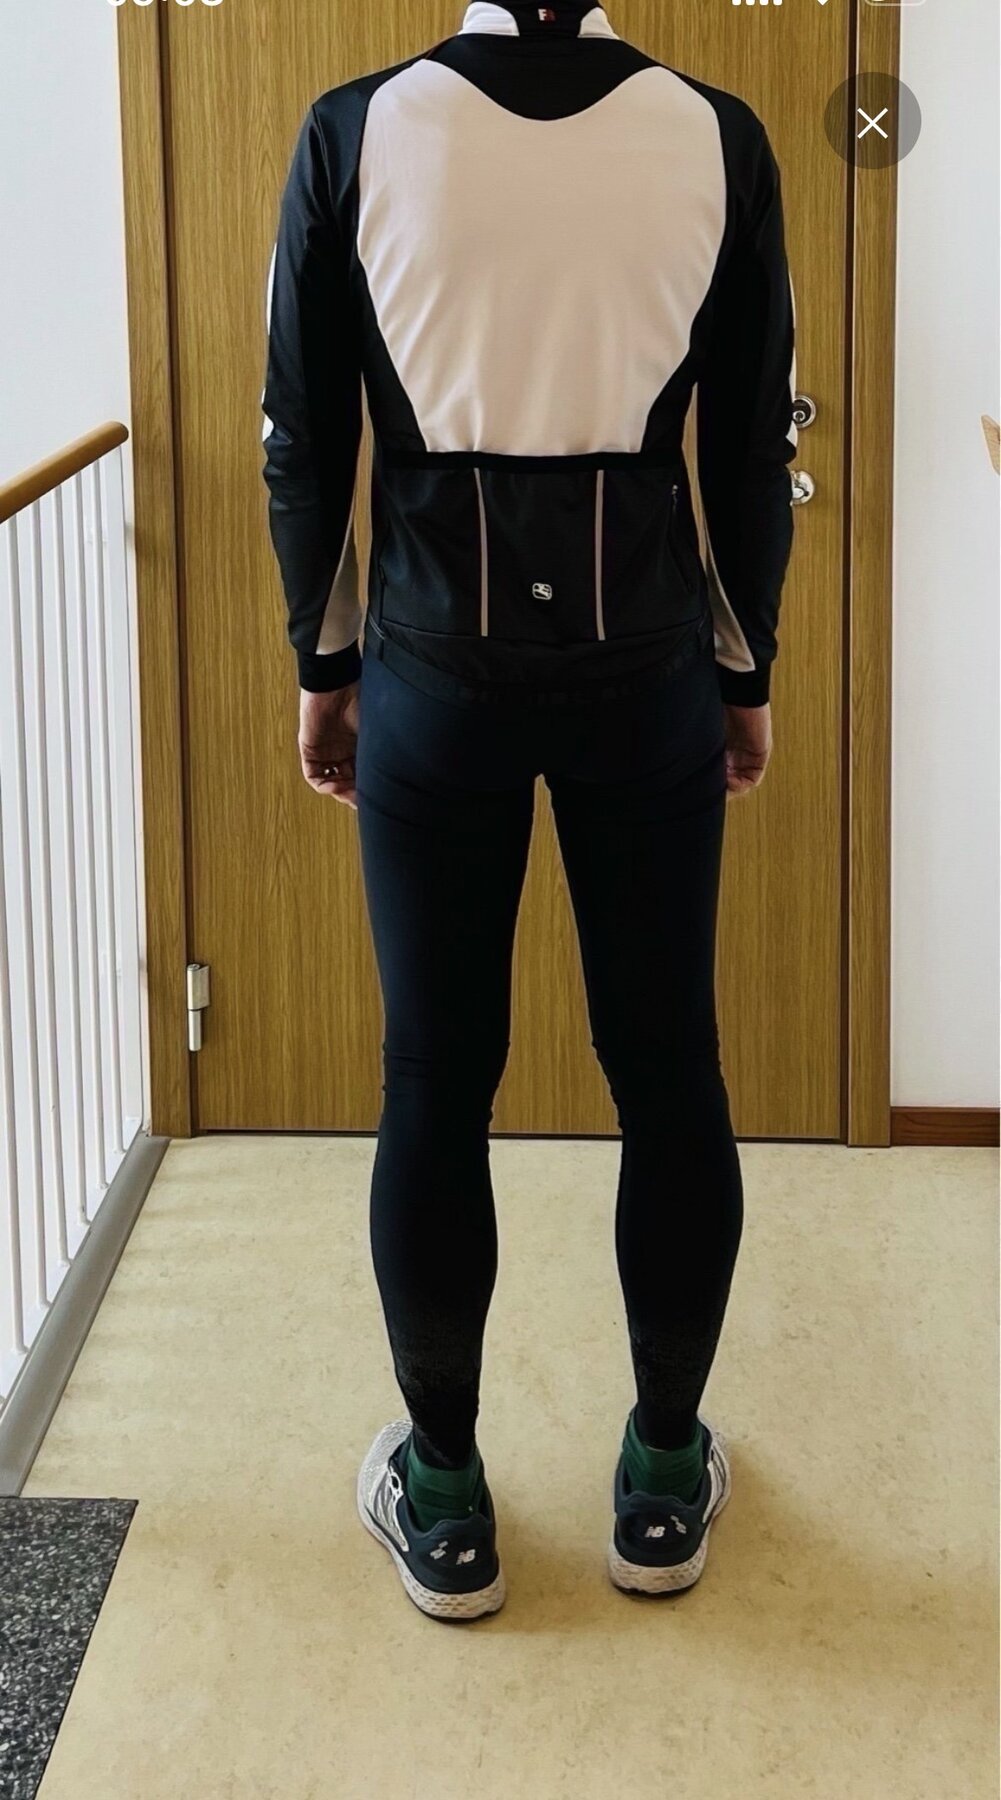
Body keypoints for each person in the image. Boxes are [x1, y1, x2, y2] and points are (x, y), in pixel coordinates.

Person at [261, 0, 796, 1621]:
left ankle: (444, 1506)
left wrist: (323, 662)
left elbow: (302, 435)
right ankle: (660, 1482)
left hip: (432, 669)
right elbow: (748, 446)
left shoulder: (358, 129)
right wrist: (744, 671)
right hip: (646, 667)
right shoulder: (713, 134)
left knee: (434, 1079)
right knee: (669, 1070)